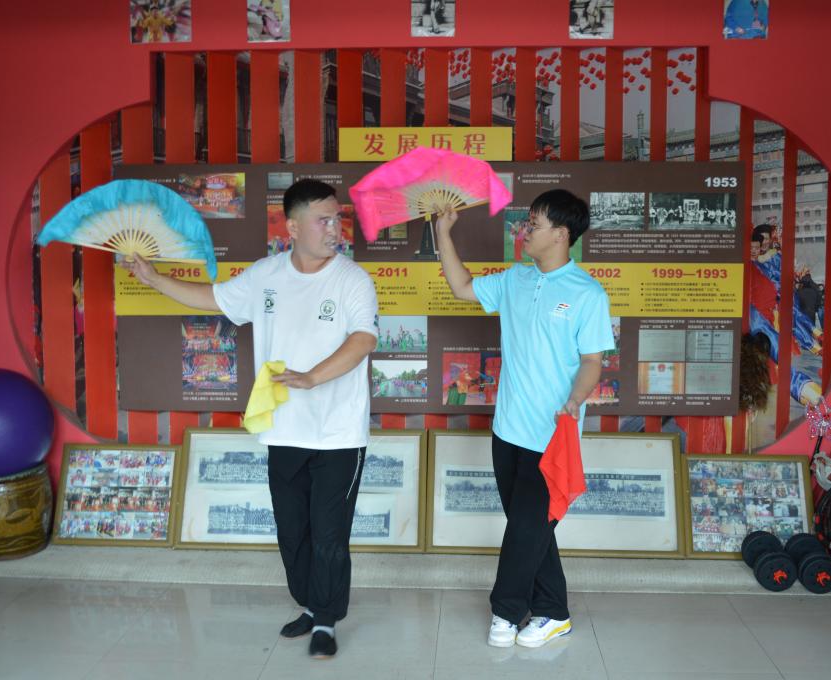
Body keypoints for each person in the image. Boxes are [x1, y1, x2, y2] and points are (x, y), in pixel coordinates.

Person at [122, 179, 377, 660]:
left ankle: (326, 619)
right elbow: (212, 299)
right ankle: (310, 604)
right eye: (323, 220)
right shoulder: (266, 275)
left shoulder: (352, 280)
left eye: (338, 219)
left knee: (329, 533)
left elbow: (363, 340)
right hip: (283, 430)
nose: (335, 229)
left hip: (339, 433)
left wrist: (312, 377)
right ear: (292, 227)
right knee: (292, 531)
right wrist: (153, 278)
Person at [435, 189, 614, 649]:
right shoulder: (515, 279)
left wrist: (575, 399)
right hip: (507, 429)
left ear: (561, 234)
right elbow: (462, 287)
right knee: (530, 526)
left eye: (533, 224)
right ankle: (554, 612)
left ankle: (506, 611)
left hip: (551, 435)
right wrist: (443, 232)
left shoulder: (587, 294)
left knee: (526, 527)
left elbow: (592, 361)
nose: (524, 231)